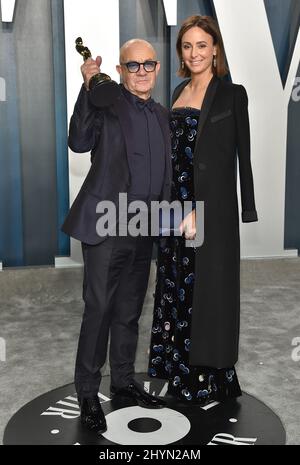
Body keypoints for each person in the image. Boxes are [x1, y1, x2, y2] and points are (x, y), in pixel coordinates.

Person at [62, 38, 172, 434]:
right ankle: (89, 393)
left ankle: (123, 381)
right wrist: (88, 88)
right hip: (106, 226)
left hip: (143, 228)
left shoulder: (161, 114)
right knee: (100, 310)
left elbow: (163, 175)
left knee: (128, 311)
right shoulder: (106, 104)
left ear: (157, 69)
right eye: (133, 65)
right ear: (122, 71)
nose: (141, 71)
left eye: (148, 65)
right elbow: (78, 142)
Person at [148, 15, 258, 405]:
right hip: (172, 208)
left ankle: (207, 378)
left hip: (207, 210)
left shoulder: (232, 95)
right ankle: (177, 372)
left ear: (215, 50)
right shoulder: (177, 90)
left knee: (207, 291)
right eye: (187, 46)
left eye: (202, 45)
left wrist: (230, 209)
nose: (194, 53)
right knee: (174, 285)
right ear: (182, 52)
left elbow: (241, 159)